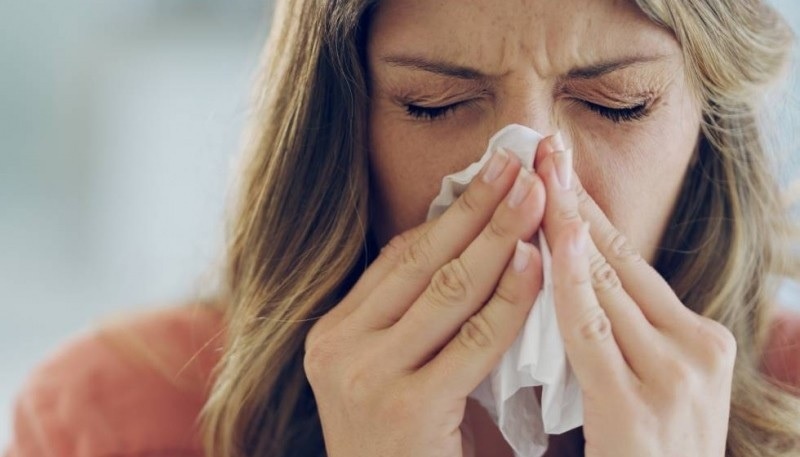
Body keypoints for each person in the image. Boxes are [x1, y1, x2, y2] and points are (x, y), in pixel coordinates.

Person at [5, 0, 800, 456]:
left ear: (708, 122)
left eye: (617, 104)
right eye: (434, 105)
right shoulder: (117, 416)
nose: (528, 184)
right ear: (340, 122)